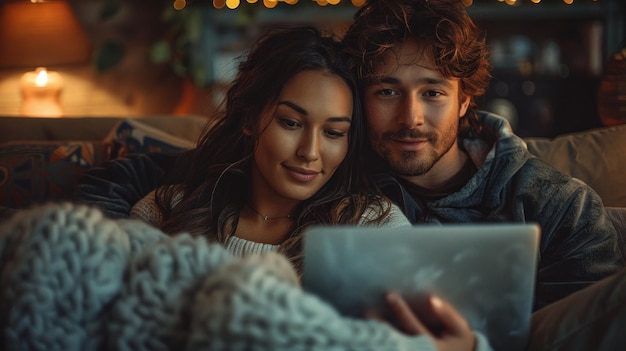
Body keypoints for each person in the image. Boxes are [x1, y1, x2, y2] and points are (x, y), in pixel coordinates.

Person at [128, 25, 491, 351]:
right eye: (290, 123)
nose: (310, 152)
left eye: (334, 133)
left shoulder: (373, 227)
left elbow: (429, 336)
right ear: (251, 118)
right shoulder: (163, 212)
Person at [341, 0, 626, 349]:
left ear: (464, 100)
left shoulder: (562, 208)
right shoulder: (335, 189)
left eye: (432, 93)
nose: (410, 117)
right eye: (387, 91)